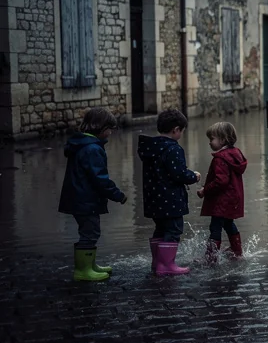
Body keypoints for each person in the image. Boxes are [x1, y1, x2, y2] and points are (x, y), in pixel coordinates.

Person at [57, 108, 128, 281]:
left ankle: (90, 265)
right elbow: (100, 179)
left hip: (79, 198)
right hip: (85, 199)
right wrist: (117, 195)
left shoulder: (81, 144)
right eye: (110, 129)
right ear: (102, 129)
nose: (110, 133)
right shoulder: (92, 149)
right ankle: (83, 270)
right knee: (90, 233)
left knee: (90, 231)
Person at [138, 108, 201, 276]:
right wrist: (193, 176)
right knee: (173, 230)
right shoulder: (173, 149)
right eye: (182, 131)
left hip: (153, 200)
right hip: (170, 200)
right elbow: (179, 174)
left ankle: (157, 263)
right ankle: (166, 265)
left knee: (160, 229)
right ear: (176, 130)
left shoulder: (151, 148)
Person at [197, 122, 248, 264]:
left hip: (222, 200)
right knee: (228, 223)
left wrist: (204, 190)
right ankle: (237, 252)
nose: (209, 143)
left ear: (223, 140)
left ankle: (210, 258)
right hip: (233, 198)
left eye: (211, 139)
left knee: (215, 227)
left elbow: (221, 181)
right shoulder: (235, 154)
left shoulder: (220, 159)